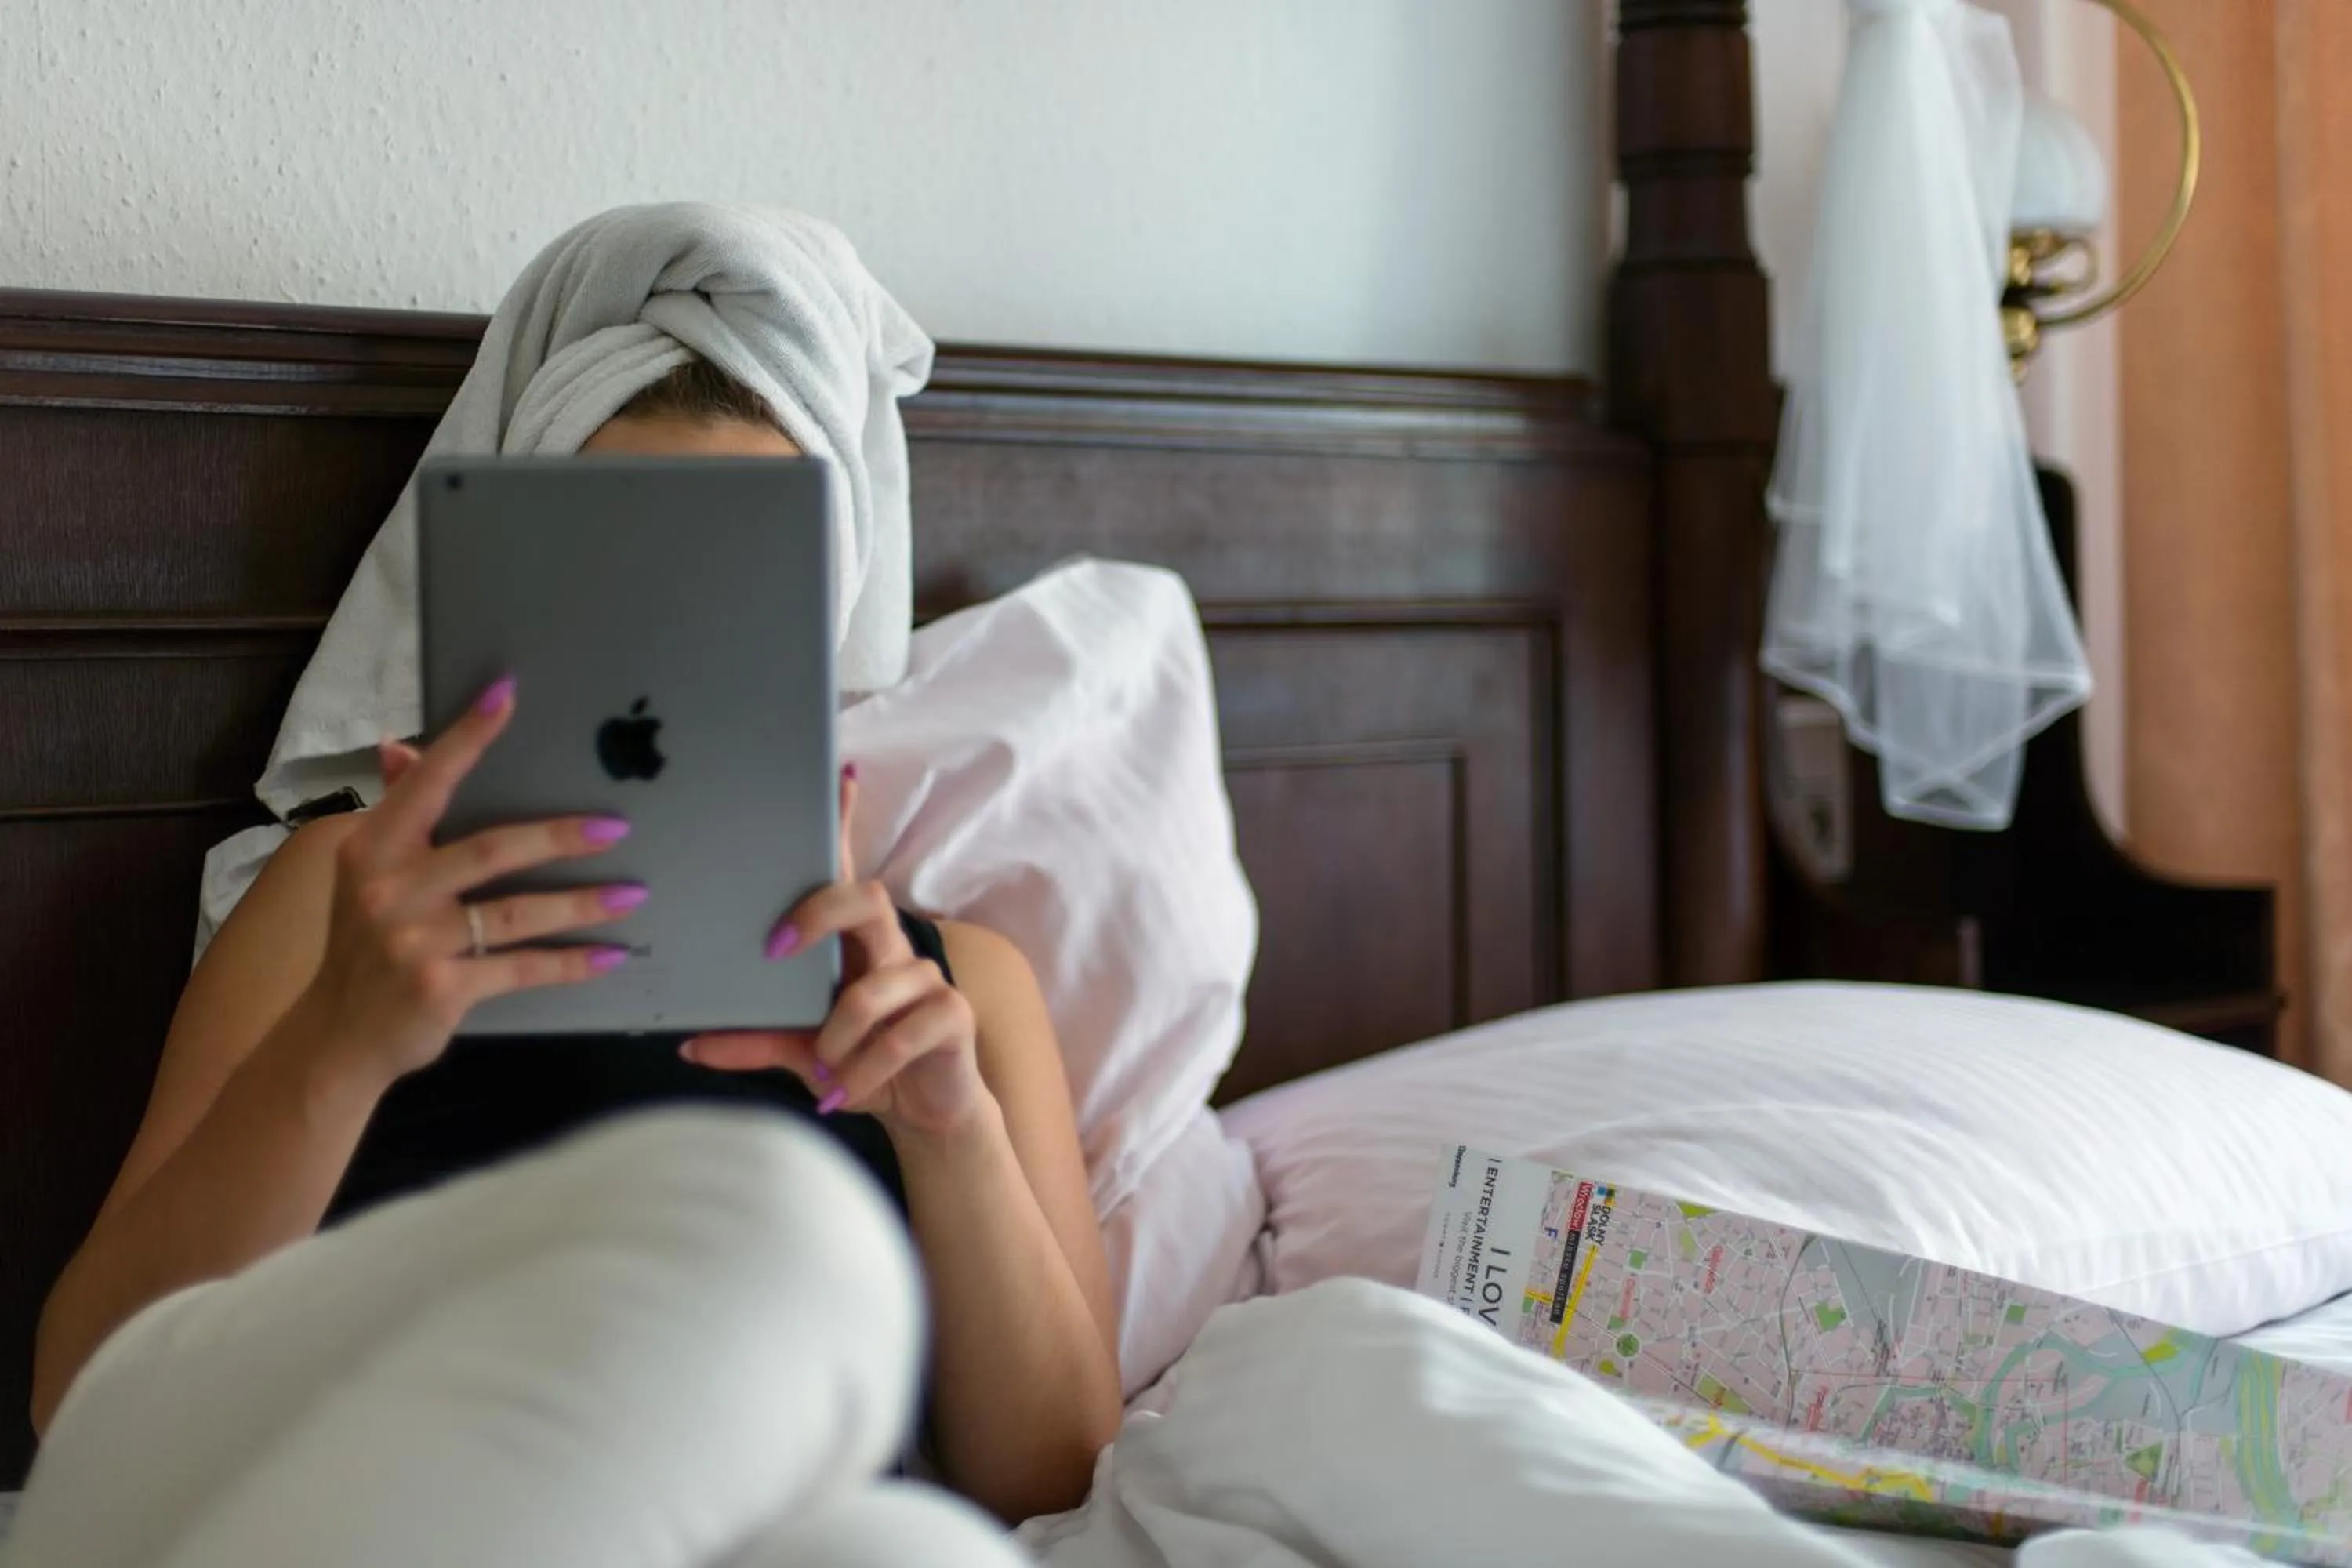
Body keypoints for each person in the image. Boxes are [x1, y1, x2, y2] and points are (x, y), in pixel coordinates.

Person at [23, 207, 1123, 1541]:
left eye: (727, 596)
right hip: (426, 1506)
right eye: (615, 587)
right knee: (793, 1235)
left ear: (815, 621)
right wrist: (340, 1046)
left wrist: (950, 1138)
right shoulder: (345, 898)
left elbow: (1061, 1478)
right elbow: (80, 1403)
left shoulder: (964, 993)